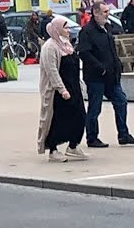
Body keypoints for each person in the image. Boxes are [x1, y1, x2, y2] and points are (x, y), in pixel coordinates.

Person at [78, 2, 134, 148]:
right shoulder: (87, 31)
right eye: (105, 11)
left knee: (121, 101)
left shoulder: (108, 28)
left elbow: (111, 50)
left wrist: (117, 66)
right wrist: (101, 68)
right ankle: (92, 138)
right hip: (96, 78)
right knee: (95, 107)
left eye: (107, 11)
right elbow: (84, 53)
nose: (107, 14)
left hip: (112, 76)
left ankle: (123, 135)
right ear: (95, 13)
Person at [38, 17, 87, 162]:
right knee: (57, 120)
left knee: (79, 117)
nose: (68, 30)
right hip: (58, 92)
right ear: (57, 29)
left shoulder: (66, 44)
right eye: (65, 27)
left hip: (74, 88)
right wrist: (62, 89)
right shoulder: (50, 47)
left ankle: (73, 145)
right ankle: (53, 150)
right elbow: (52, 71)